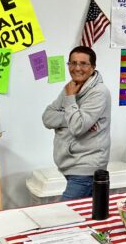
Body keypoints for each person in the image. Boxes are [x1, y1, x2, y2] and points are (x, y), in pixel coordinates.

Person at [42, 46, 111, 200]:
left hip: (86, 169)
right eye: (73, 63)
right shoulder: (71, 87)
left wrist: (70, 102)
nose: (77, 68)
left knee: (63, 211)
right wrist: (74, 117)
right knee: (85, 212)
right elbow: (47, 117)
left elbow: (78, 127)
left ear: (92, 67)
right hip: (71, 166)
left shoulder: (99, 92)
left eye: (83, 63)